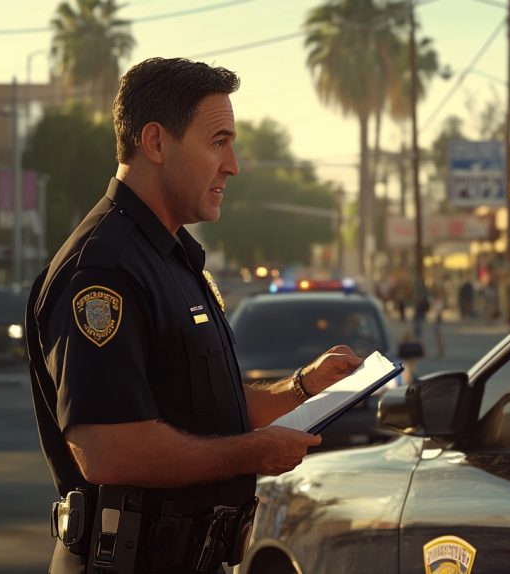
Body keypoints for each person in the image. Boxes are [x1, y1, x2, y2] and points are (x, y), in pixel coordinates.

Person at [24, 57, 363, 574]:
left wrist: (303, 387)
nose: (233, 165)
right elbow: (111, 452)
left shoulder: (173, 258)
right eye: (218, 142)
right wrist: (253, 454)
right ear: (156, 143)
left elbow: (206, 409)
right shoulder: (103, 271)